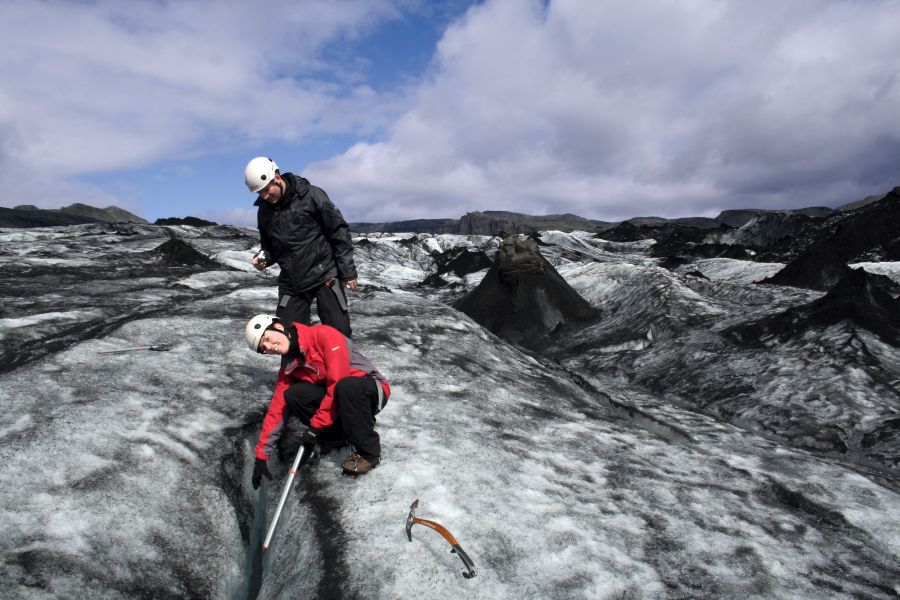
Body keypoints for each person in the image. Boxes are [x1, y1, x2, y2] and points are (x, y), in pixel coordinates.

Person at [244, 314, 390, 484]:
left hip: (369, 390)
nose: (270, 347)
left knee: (346, 386)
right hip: (340, 399)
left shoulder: (324, 335)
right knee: (292, 394)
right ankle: (337, 437)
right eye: (264, 348)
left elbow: (336, 382)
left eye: (267, 339)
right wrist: (262, 456)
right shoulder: (290, 365)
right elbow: (278, 408)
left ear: (278, 327)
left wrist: (315, 427)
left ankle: (369, 453)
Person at [245, 157, 357, 338]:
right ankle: (300, 367)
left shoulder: (312, 195)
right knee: (286, 337)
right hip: (292, 282)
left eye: (266, 189)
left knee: (339, 334)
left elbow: (339, 231)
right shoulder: (264, 211)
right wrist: (264, 257)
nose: (264, 196)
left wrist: (348, 272)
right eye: (259, 193)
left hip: (324, 275)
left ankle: (341, 366)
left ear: (277, 176)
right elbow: (269, 245)